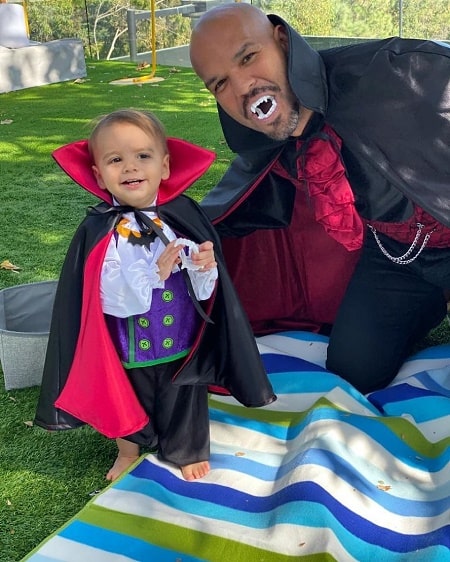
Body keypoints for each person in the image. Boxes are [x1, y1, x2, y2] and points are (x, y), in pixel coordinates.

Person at [189, 3, 450, 394]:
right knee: (355, 368)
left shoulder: (399, 74)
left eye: (248, 57)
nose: (243, 86)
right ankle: (427, 307)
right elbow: (230, 208)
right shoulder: (269, 145)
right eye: (220, 84)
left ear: (282, 41)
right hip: (396, 257)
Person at [34, 109, 276, 481]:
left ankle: (187, 449)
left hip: (181, 339)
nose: (130, 167)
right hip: (128, 344)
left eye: (142, 156)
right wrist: (152, 273)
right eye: (116, 160)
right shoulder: (101, 230)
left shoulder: (182, 216)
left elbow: (208, 293)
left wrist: (204, 266)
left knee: (184, 394)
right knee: (127, 395)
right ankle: (129, 450)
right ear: (99, 174)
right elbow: (105, 293)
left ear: (164, 166)